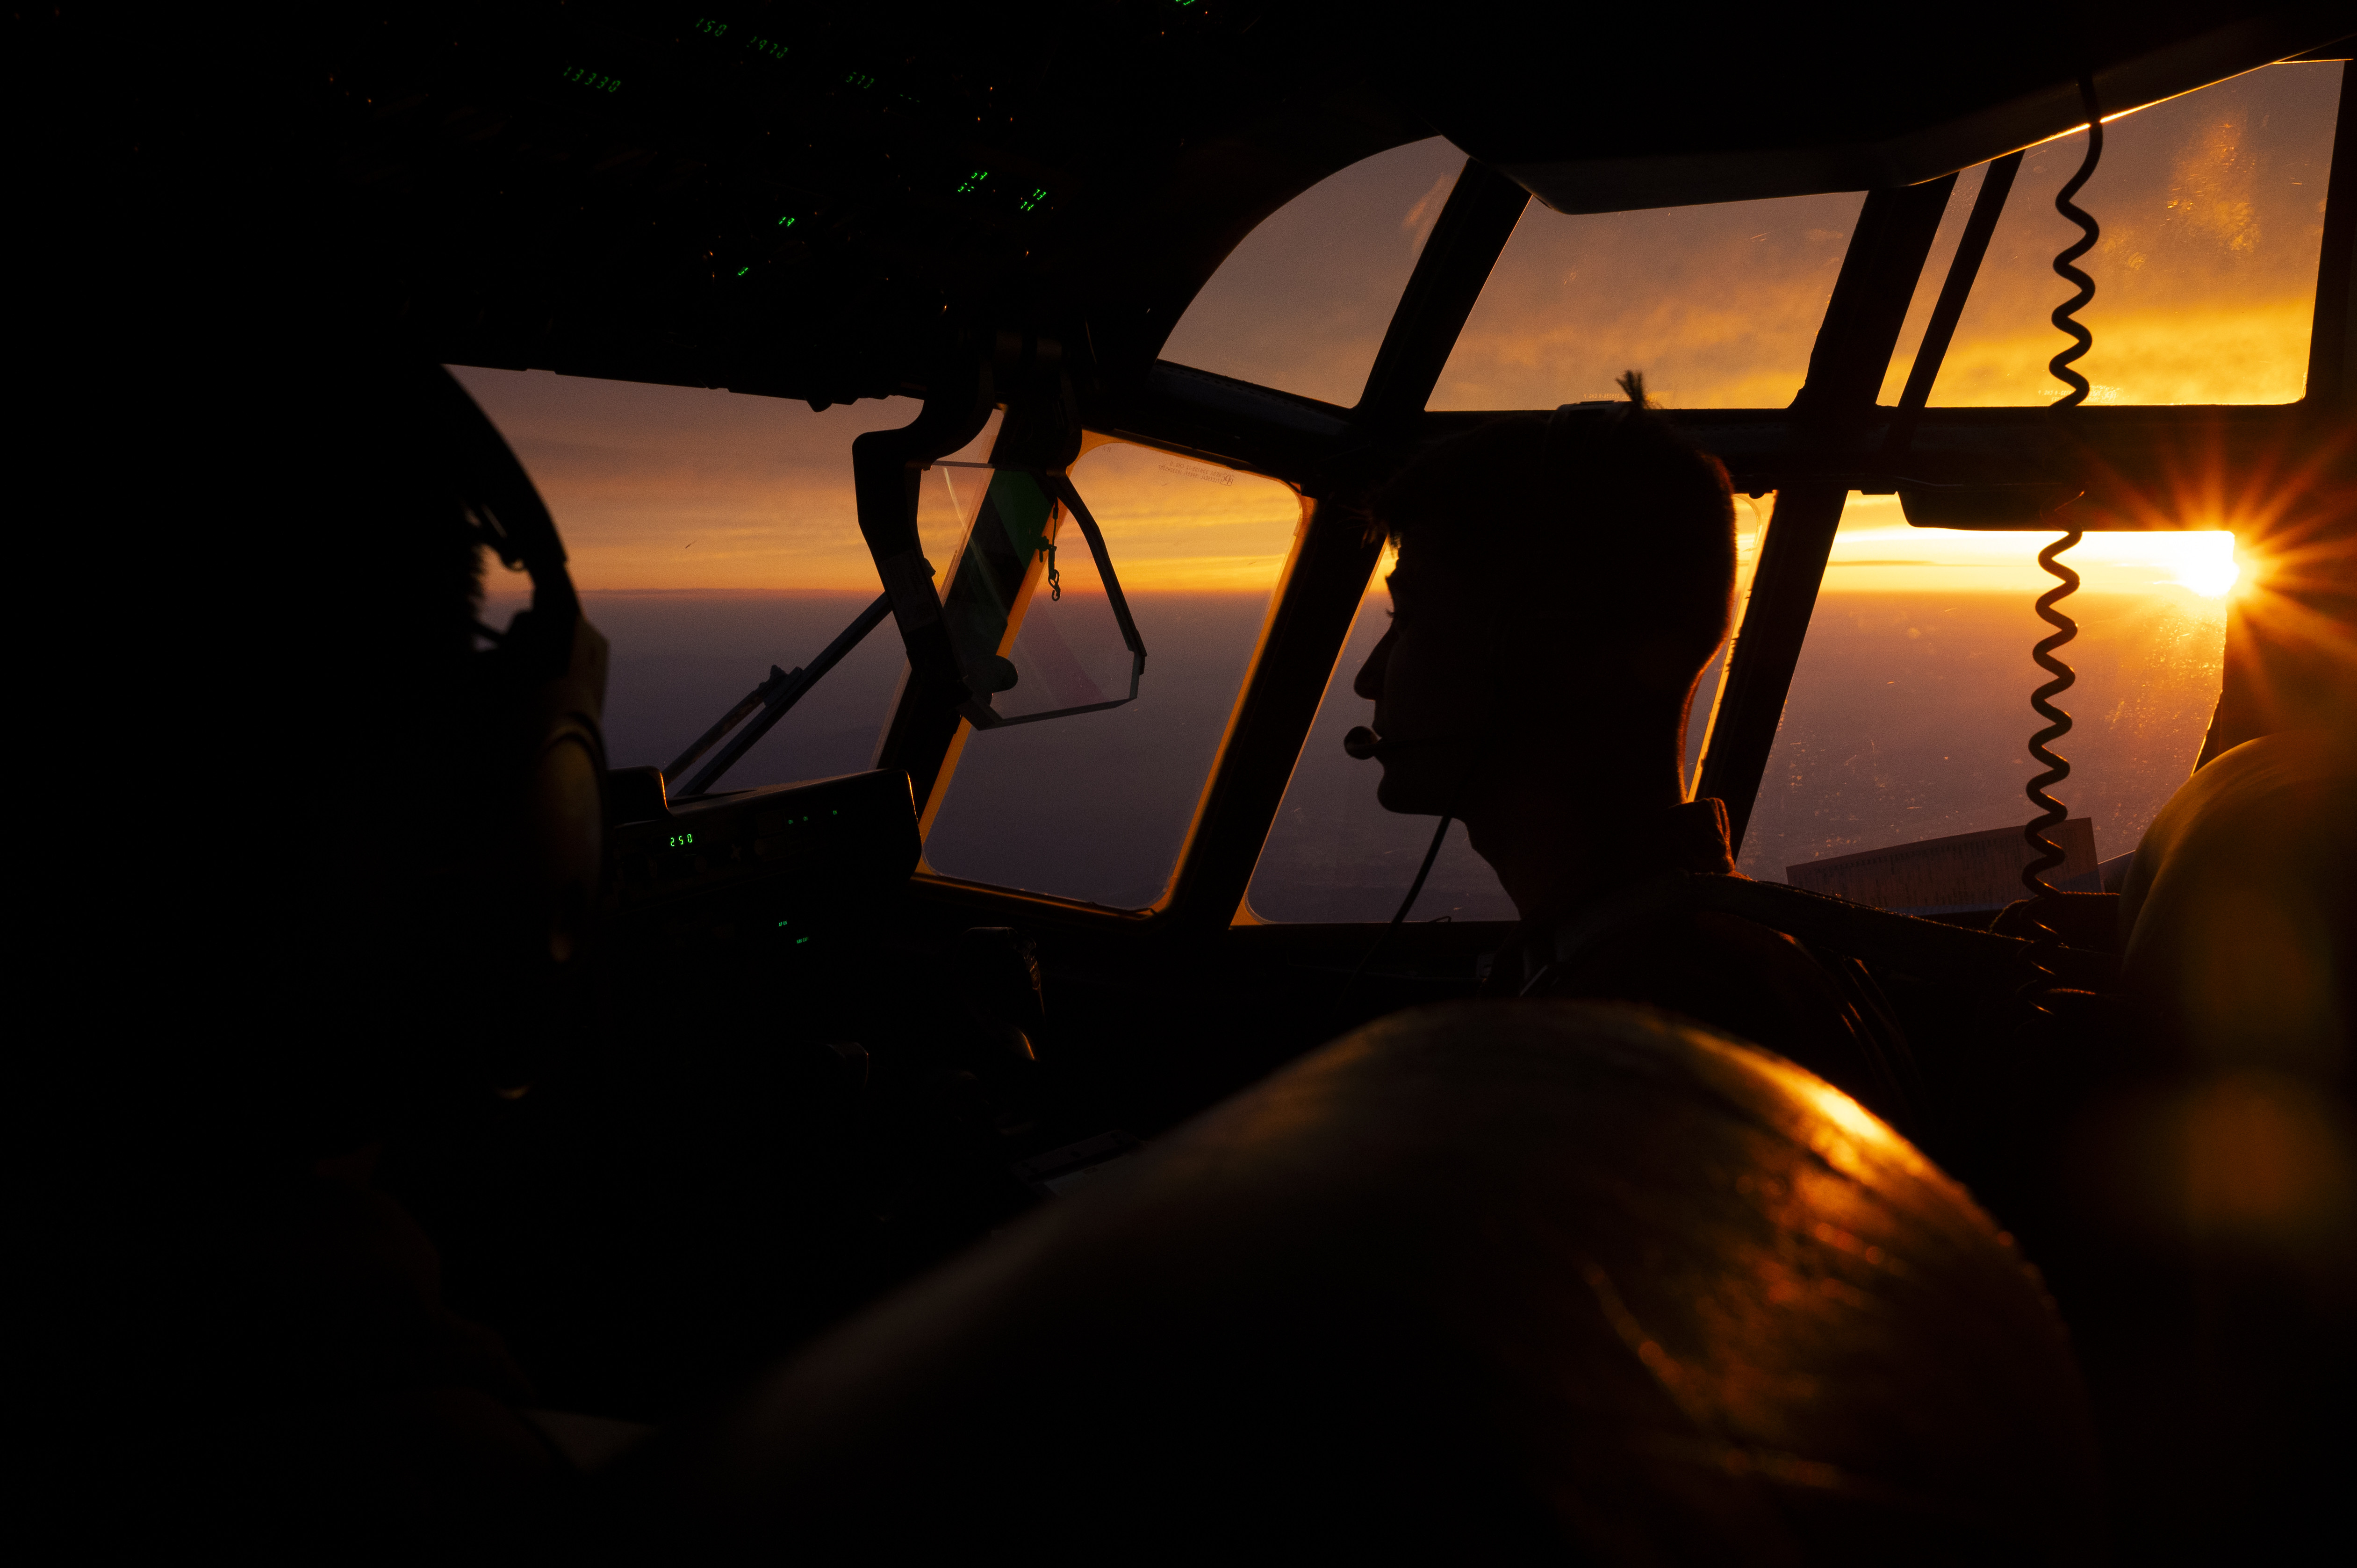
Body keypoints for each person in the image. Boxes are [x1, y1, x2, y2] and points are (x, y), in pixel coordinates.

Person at [1350, 373, 1912, 1119]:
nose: (1367, 677)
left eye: (1408, 615)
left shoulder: (1658, 1022)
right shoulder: (1650, 957)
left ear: (1538, 652)